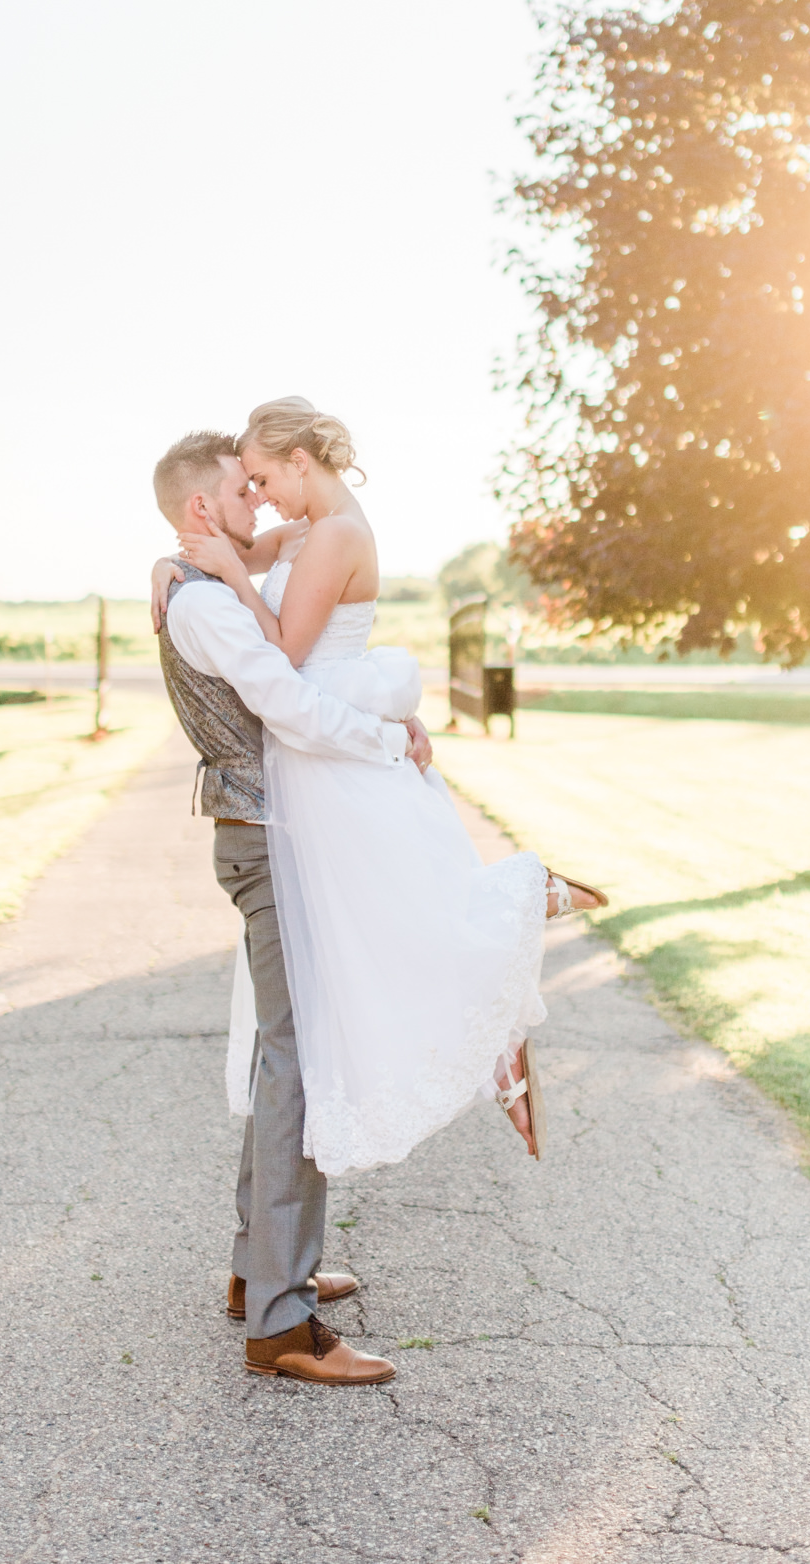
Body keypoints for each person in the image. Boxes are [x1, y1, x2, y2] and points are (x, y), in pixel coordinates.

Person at [154, 398, 606, 1188]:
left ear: (301, 459)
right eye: (247, 483)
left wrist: (225, 571)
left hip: (326, 744)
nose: (259, 495)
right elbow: (237, 548)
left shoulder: (336, 534)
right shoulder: (303, 530)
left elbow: (286, 652)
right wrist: (174, 565)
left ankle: (517, 931)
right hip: (321, 742)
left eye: (263, 477)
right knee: (375, 939)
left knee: (387, 933)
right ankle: (500, 1035)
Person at [151, 429, 436, 1388]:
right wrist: (392, 741)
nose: (257, 503)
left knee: (289, 1055)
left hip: (272, 832)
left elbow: (279, 619)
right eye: (241, 488)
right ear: (203, 509)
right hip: (268, 840)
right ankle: (281, 1322)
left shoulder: (197, 585)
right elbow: (293, 705)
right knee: (297, 1062)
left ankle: (262, 1274)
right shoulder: (211, 609)